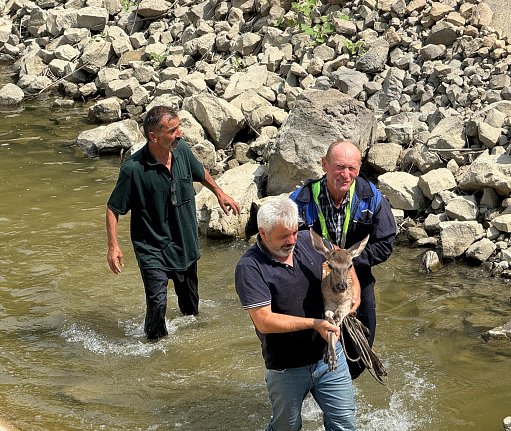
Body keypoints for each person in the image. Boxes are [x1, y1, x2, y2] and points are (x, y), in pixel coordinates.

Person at [105, 105, 240, 340]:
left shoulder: (183, 151)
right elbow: (113, 208)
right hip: (152, 248)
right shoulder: (133, 169)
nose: (180, 134)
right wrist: (113, 246)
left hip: (185, 243)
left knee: (191, 311)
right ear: (153, 136)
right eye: (173, 130)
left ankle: (191, 347)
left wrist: (219, 192)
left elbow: (200, 172)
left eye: (179, 128)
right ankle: (154, 351)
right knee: (157, 304)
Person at [235, 196, 359, 431]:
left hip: (328, 357)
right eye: (283, 236)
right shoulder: (249, 267)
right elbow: (264, 321)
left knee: (344, 425)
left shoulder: (306, 240)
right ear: (263, 233)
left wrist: (355, 291)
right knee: (286, 428)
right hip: (286, 367)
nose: (292, 240)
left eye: (294, 232)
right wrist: (315, 323)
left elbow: (343, 261)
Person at [290, 140, 396, 379]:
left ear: (359, 169)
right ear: (324, 165)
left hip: (355, 267)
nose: (345, 174)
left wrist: (350, 265)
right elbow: (285, 242)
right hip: (313, 273)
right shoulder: (301, 200)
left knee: (364, 335)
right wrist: (325, 263)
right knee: (307, 334)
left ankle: (346, 383)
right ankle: (311, 379)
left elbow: (386, 243)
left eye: (351, 168)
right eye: (339, 167)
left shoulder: (371, 197)